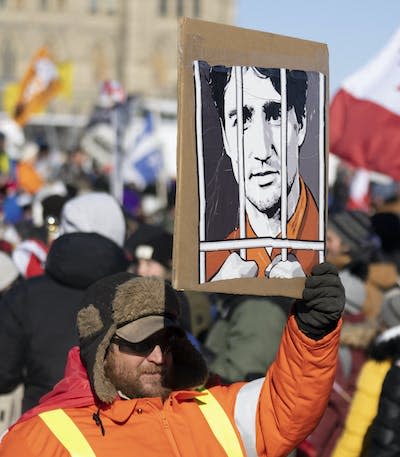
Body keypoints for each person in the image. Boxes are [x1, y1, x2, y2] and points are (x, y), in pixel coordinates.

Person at [0, 262, 344, 456]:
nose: (157, 356)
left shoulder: (213, 408)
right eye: (140, 343)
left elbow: (288, 407)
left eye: (167, 341)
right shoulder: (40, 439)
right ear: (100, 350)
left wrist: (312, 332)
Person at [205, 66, 319, 281]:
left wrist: (310, 302)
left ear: (301, 124)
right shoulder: (209, 265)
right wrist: (218, 297)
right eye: (241, 120)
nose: (262, 151)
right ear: (226, 138)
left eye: (275, 115)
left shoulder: (335, 253)